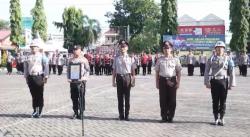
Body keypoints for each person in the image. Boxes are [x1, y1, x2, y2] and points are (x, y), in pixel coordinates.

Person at [204, 41, 236, 126]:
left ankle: (222, 118)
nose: (219, 50)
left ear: (224, 49)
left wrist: (231, 83)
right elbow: (206, 71)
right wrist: (206, 82)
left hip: (223, 81)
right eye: (217, 48)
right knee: (215, 101)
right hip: (214, 82)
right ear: (215, 49)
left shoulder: (228, 59)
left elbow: (232, 71)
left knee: (223, 101)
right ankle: (215, 118)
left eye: (221, 48)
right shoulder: (211, 58)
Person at [155, 41, 181, 123]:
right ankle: (164, 117)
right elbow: (157, 72)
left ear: (171, 49)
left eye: (168, 48)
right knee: (163, 99)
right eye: (165, 48)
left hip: (172, 80)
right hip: (162, 80)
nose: (166, 50)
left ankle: (170, 116)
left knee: (172, 100)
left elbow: (178, 72)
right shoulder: (159, 60)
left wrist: (178, 82)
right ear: (163, 49)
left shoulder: (175, 60)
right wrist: (157, 82)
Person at [24, 39, 49, 118]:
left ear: (38, 47)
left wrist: (46, 77)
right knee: (33, 95)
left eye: (34, 47)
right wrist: (26, 77)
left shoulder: (42, 56)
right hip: (31, 77)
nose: (32, 48)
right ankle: (35, 110)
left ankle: (40, 111)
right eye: (31, 47)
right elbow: (25, 67)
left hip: (39, 76)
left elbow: (46, 66)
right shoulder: (28, 56)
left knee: (39, 94)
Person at [112, 40, 136, 121]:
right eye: (121, 46)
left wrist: (133, 80)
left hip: (127, 77)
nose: (123, 48)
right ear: (119, 47)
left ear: (127, 48)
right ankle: (121, 115)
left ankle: (127, 115)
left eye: (124, 47)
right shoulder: (116, 58)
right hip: (119, 77)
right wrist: (113, 81)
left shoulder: (131, 57)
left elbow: (133, 71)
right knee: (120, 98)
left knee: (127, 97)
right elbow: (114, 70)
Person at [67, 45, 90, 119]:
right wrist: (68, 77)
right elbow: (68, 70)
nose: (75, 51)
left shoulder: (84, 60)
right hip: (73, 81)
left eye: (77, 49)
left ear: (80, 50)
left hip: (81, 81)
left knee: (81, 97)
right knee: (74, 97)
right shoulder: (71, 60)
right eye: (74, 50)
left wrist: (84, 78)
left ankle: (81, 112)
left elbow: (88, 70)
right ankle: (75, 112)